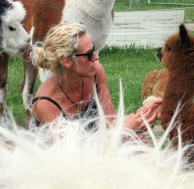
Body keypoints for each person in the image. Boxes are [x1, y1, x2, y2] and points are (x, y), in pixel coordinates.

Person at [30, 23, 162, 132]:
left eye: (93, 49)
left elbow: (111, 121)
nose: (96, 57)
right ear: (66, 62)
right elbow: (73, 155)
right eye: (88, 54)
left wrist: (142, 114)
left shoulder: (95, 72)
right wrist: (126, 131)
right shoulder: (45, 104)